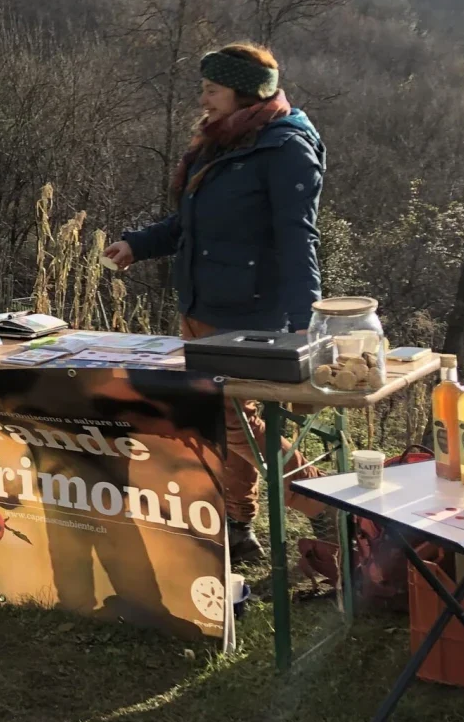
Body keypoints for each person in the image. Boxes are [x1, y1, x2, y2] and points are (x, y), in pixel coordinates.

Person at [103, 43, 326, 561]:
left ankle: (324, 507)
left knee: (235, 422)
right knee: (229, 419)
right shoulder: (219, 141)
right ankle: (238, 525)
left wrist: (304, 323)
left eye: (212, 88)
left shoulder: (286, 147)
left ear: (246, 93)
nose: (202, 97)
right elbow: (189, 224)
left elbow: (299, 239)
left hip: (251, 314)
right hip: (202, 305)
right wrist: (138, 244)